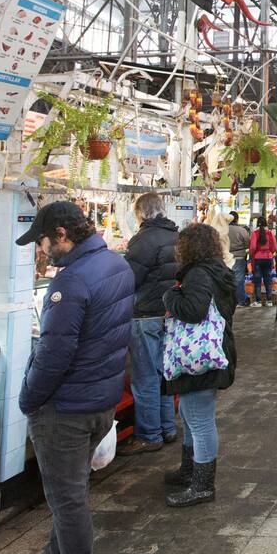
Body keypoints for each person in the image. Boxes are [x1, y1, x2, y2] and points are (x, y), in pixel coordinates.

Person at [16, 201, 134, 554]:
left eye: (43, 241)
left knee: (68, 501)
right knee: (73, 489)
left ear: (62, 235)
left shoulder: (70, 281)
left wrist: (29, 399)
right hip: (101, 401)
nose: (41, 249)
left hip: (66, 409)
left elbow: (54, 354)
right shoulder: (116, 264)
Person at [162, 223, 237, 507]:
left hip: (199, 358)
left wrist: (170, 296)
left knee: (199, 418)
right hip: (213, 352)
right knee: (191, 412)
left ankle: (203, 485)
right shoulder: (219, 270)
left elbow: (193, 311)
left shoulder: (198, 274)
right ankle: (189, 470)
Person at [118, 193, 179, 457]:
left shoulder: (143, 239)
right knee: (163, 374)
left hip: (144, 315)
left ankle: (149, 435)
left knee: (145, 379)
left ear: (140, 213)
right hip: (167, 313)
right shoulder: (174, 235)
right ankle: (168, 428)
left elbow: (129, 278)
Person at [248, 216, 277, 307]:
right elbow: (274, 247)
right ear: (266, 224)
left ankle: (258, 301)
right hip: (268, 258)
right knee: (268, 279)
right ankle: (269, 301)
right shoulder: (270, 233)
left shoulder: (255, 233)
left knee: (257, 280)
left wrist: (253, 254)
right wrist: (269, 252)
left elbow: (252, 247)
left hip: (258, 258)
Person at [227, 211, 251, 306]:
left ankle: (230, 300)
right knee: (239, 280)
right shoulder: (242, 230)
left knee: (228, 279)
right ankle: (240, 300)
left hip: (227, 258)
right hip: (239, 257)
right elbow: (247, 244)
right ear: (237, 219)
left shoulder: (223, 230)